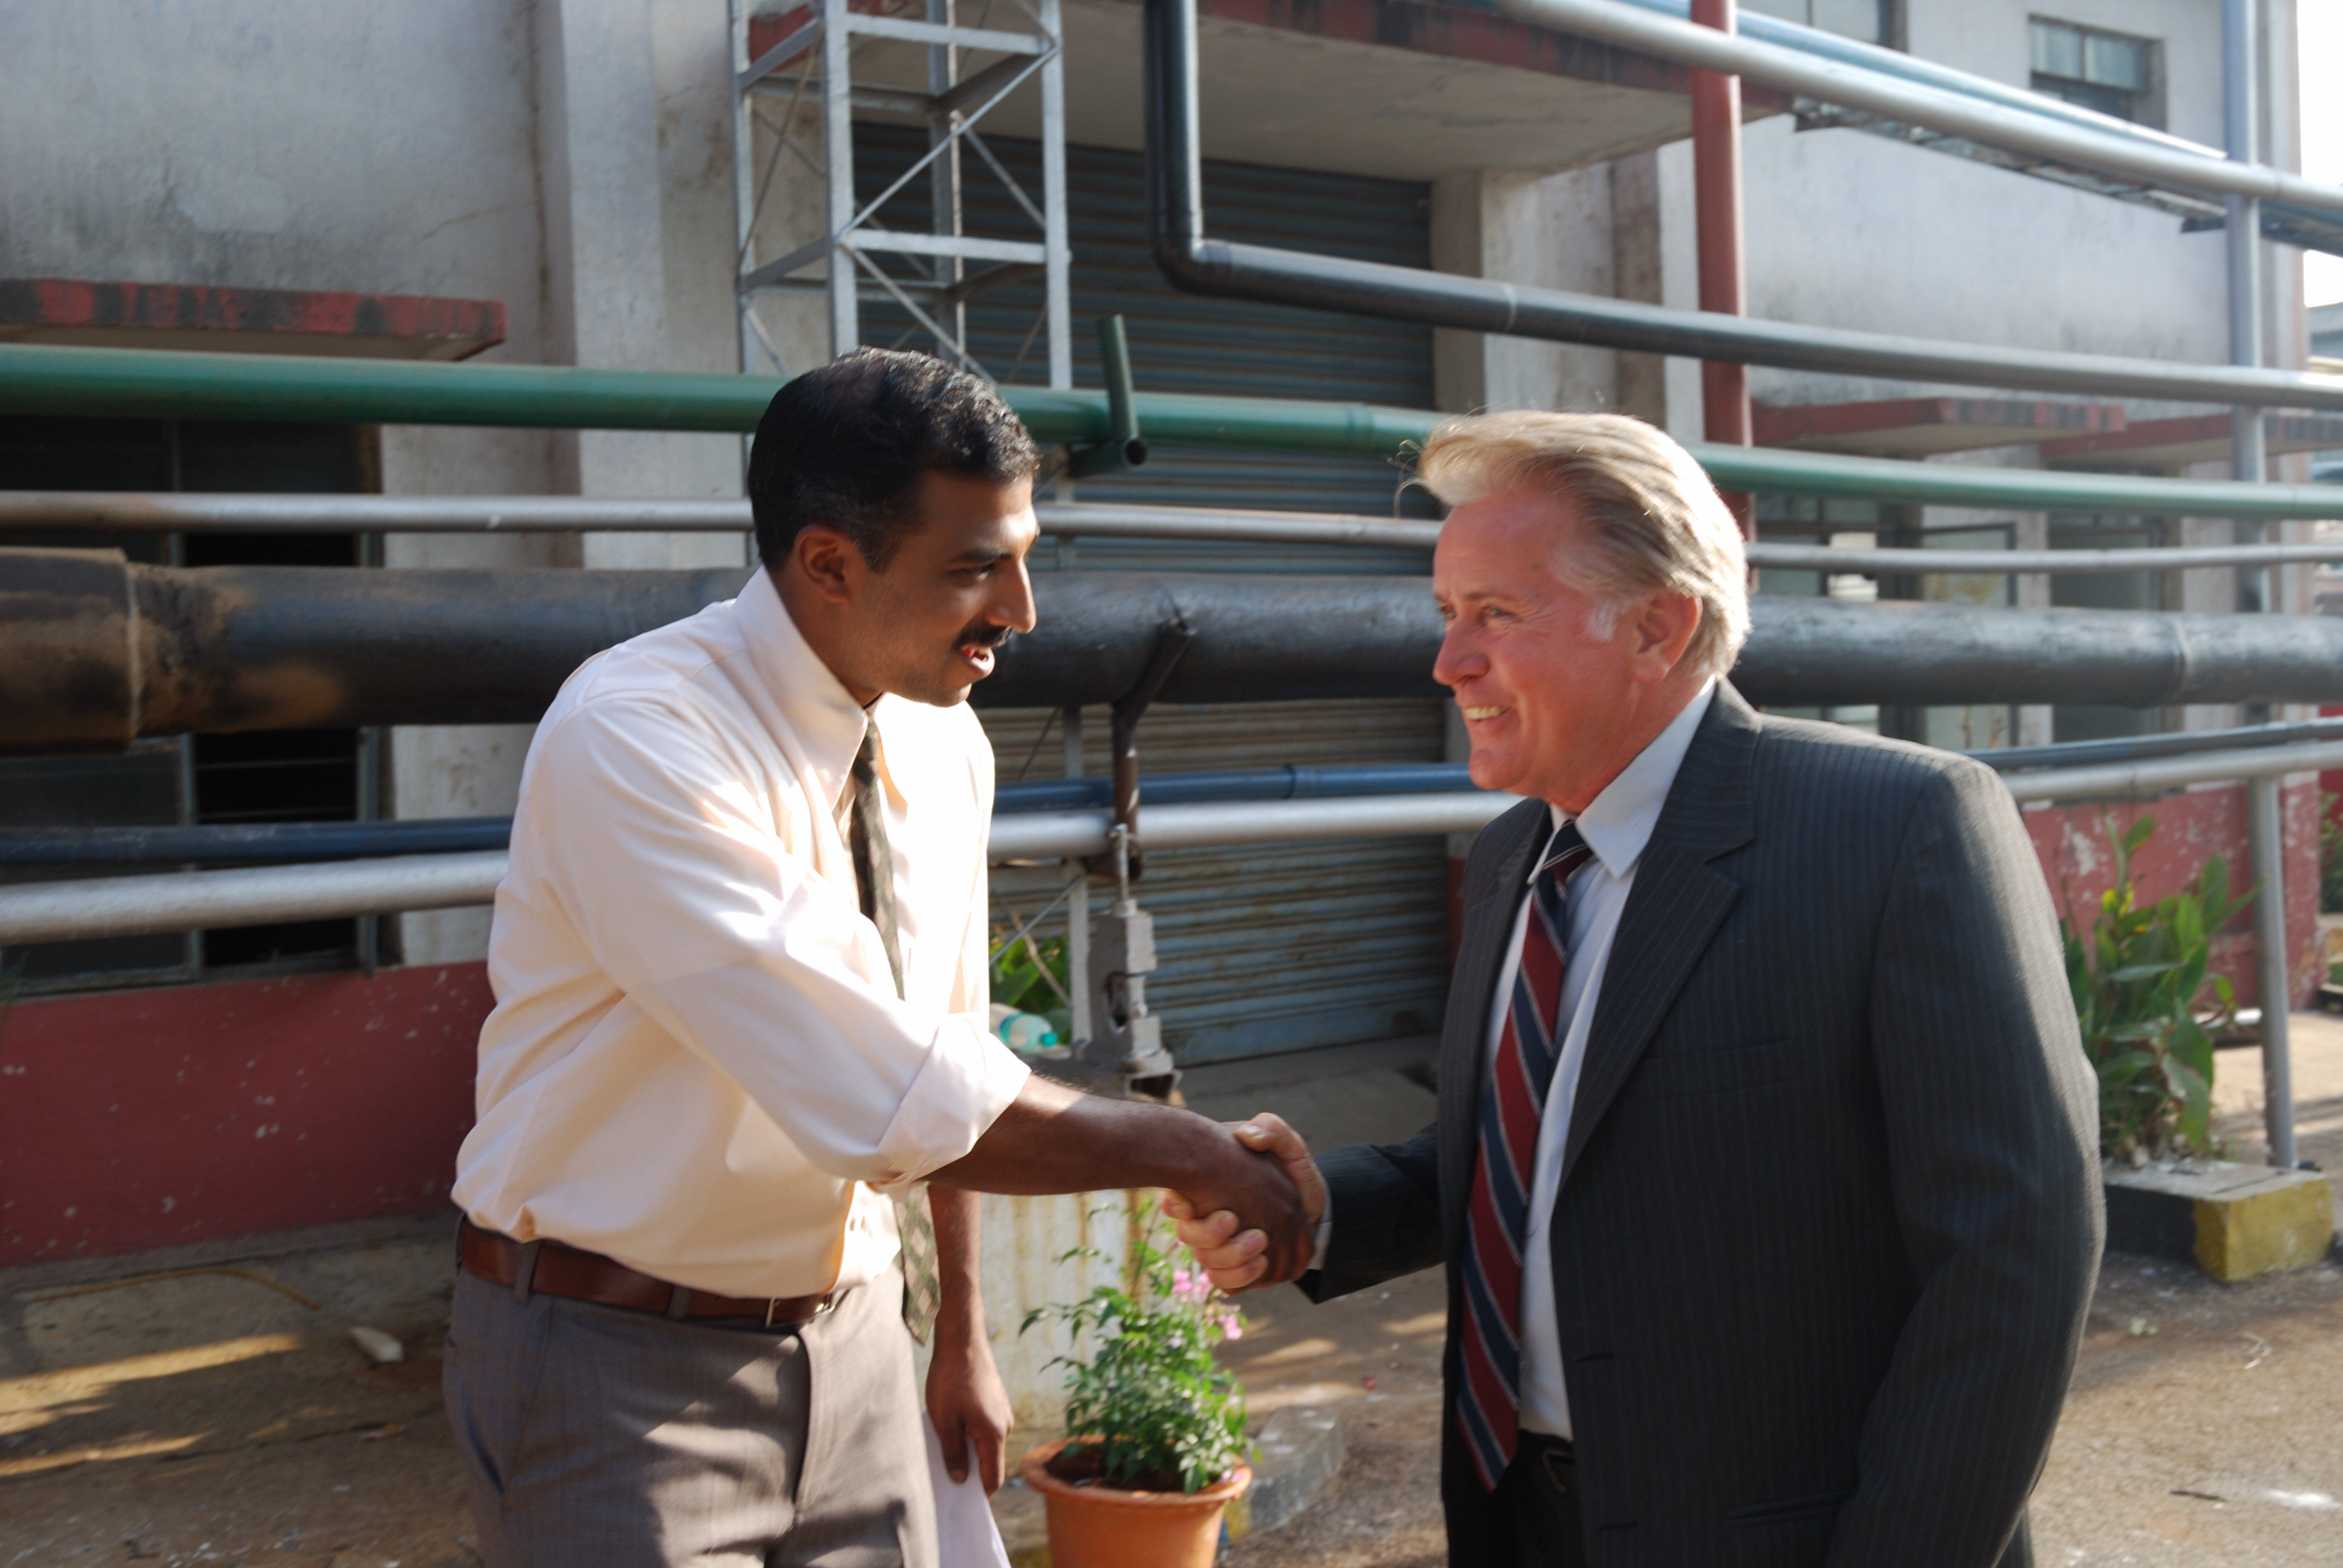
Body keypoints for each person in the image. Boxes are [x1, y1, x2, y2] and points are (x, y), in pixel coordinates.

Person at [1173, 411, 2102, 1568]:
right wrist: (1325, 1211)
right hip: (1523, 1514)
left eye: (1497, 615)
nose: (1449, 661)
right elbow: (1533, 1155)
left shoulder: (1899, 826)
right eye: (1448, 615)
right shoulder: (1519, 854)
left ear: (1659, 627)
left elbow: (2016, 1255)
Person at [443, 348, 1309, 1568]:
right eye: (973, 570)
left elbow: (944, 1052)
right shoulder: (638, 737)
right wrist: (1190, 1149)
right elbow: (884, 1088)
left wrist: (959, 1331)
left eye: (1023, 557)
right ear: (828, 565)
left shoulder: (940, 746)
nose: (1021, 610)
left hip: (854, 1345)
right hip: (614, 1365)